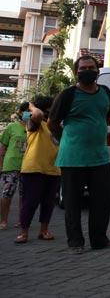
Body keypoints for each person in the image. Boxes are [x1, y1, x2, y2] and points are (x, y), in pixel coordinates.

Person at [48, 55, 110, 254]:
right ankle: (75, 242)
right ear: (76, 72)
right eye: (83, 68)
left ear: (98, 70)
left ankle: (99, 240)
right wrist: (66, 139)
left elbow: (107, 117)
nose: (87, 71)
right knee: (72, 203)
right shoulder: (68, 94)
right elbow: (52, 123)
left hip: (100, 157)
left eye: (91, 67)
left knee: (102, 202)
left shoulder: (105, 92)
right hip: (72, 158)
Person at [16, 96, 59, 244]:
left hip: (53, 168)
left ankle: (43, 231)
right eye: (52, 107)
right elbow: (38, 114)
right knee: (30, 201)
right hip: (34, 167)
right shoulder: (32, 121)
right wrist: (31, 105)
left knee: (48, 203)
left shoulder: (54, 124)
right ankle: (24, 232)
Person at [0, 102, 29, 230]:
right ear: (21, 113)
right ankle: (3, 221)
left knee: (24, 195)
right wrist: (1, 166)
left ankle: (22, 220)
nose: (29, 113)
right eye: (27, 111)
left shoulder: (34, 128)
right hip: (11, 165)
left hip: (28, 165)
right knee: (7, 193)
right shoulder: (12, 127)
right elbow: (3, 149)